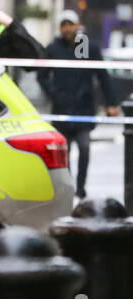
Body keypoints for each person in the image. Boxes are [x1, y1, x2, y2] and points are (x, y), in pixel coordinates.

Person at [39, 10, 119, 200]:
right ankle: (68, 189)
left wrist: (111, 103)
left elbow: (101, 76)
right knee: (64, 153)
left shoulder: (83, 46)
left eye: (71, 24)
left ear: (77, 26)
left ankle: (80, 188)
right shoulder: (53, 48)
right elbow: (42, 76)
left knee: (84, 148)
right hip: (62, 111)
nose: (67, 28)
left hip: (82, 110)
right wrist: (55, 94)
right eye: (63, 24)